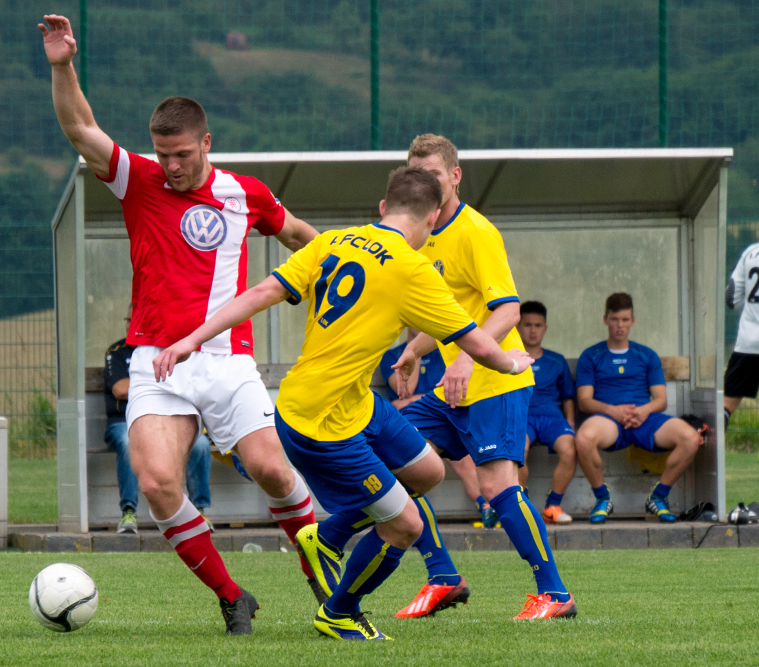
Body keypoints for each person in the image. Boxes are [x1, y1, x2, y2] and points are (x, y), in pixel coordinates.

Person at [155, 167, 534, 640]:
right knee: (405, 526)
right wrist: (516, 364)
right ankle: (339, 611)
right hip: (321, 426)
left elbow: (262, 292)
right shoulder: (414, 270)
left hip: (346, 402)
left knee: (428, 472)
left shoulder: (334, 241)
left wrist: (192, 339)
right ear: (434, 219)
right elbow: (479, 346)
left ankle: (326, 537)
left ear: (382, 208)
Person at [41, 15, 322, 635]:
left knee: (274, 472)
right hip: (156, 359)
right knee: (159, 482)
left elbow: (305, 238)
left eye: (181, 154)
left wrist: (336, 274)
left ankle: (325, 588)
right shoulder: (139, 181)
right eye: (162, 153)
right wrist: (63, 65)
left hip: (227, 360)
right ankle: (231, 595)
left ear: (206, 143)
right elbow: (81, 129)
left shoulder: (246, 195)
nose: (169, 165)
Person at [323, 134, 574, 620]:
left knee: (499, 486)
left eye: (435, 175)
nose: (427, 185)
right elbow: (444, 311)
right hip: (449, 388)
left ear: (455, 176)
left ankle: (555, 593)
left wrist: (466, 358)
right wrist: (414, 351)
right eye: (417, 176)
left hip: (496, 380)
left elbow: (506, 310)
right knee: (397, 459)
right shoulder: (418, 231)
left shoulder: (476, 231)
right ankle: (443, 576)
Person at [574, 292, 703, 523]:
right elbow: (584, 401)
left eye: (625, 320)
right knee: (583, 438)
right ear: (605, 319)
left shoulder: (646, 355)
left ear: (632, 320)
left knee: (691, 438)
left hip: (644, 418)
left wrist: (643, 411)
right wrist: (614, 411)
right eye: (614, 319)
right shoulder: (590, 356)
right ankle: (603, 499)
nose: (619, 326)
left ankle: (658, 498)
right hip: (608, 419)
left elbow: (661, 401)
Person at [103, 305, 212, 534]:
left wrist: (149, 383)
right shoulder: (118, 351)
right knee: (127, 441)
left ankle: (200, 511)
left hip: (169, 420)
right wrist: (159, 383)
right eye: (129, 319)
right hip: (123, 422)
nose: (131, 324)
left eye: (137, 319)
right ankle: (129, 512)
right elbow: (120, 388)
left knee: (200, 443)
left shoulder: (173, 348)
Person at [380, 337, 498, 527]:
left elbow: (451, 390)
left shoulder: (444, 351)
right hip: (408, 423)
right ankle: (394, 514)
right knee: (416, 462)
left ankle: (486, 507)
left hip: (443, 416)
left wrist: (416, 398)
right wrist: (415, 351)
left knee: (464, 462)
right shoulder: (393, 355)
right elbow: (406, 390)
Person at [517, 300, 577, 525]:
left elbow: (567, 397)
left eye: (538, 325)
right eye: (527, 325)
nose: (533, 330)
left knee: (570, 448)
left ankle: (552, 506)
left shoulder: (556, 360)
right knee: (517, 449)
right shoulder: (509, 359)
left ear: (545, 328)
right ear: (517, 327)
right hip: (522, 416)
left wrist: (570, 423)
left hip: (552, 417)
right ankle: (523, 507)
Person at [724, 242, 759, 429]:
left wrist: (751, 315)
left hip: (749, 342)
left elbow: (732, 299)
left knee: (727, 404)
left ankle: (708, 453)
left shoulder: (750, 252)